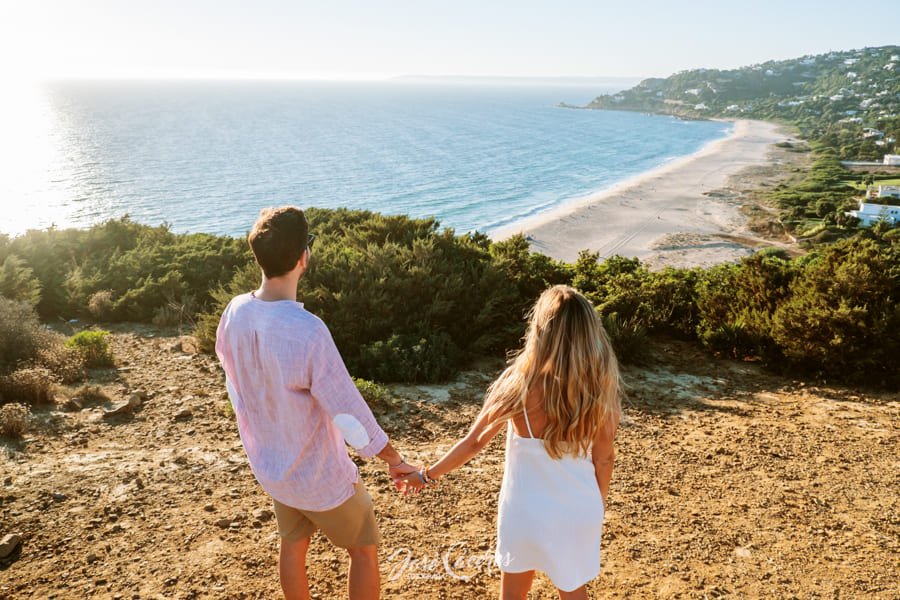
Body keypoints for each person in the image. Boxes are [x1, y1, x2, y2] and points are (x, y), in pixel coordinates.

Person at [215, 206, 417, 600]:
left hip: (274, 469)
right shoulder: (307, 331)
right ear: (303, 257)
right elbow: (349, 413)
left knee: (292, 546)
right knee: (363, 550)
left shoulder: (234, 311)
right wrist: (394, 459)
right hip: (320, 478)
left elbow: (233, 379)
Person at [398, 285, 622, 600]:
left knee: (512, 596)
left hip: (524, 511)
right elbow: (604, 459)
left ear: (539, 331)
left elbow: (474, 442)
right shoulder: (599, 390)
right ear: (589, 333)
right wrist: (595, 502)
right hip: (576, 510)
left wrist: (426, 475)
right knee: (574, 592)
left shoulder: (519, 383)